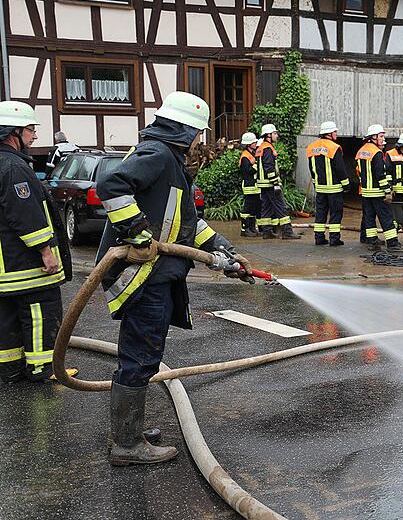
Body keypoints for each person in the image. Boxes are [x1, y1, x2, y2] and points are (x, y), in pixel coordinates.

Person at [95, 91, 253, 466]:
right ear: (187, 129)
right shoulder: (159, 155)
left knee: (142, 355)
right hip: (144, 275)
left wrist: (225, 252)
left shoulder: (167, 158)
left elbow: (186, 223)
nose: (201, 140)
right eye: (199, 132)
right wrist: (137, 232)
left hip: (156, 274)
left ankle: (128, 430)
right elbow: (111, 185)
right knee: (141, 356)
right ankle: (127, 445)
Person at [0, 101, 75, 384]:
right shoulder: (13, 167)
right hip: (25, 266)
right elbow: (25, 214)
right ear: (13, 132)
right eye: (31, 130)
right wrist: (45, 251)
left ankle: (10, 370)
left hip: (5, 268)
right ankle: (43, 369)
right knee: (39, 313)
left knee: (7, 318)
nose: (34, 137)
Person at [356, 124, 402, 251]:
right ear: (374, 137)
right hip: (377, 192)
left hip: (366, 192)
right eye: (381, 136)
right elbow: (380, 175)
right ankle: (392, 243)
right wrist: (387, 190)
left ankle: (372, 242)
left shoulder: (361, 151)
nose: (383, 139)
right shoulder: (376, 153)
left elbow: (359, 171)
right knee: (386, 216)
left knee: (369, 217)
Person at [306, 121, 350, 246]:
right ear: (329, 133)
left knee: (320, 213)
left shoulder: (311, 148)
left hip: (320, 188)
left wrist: (315, 183)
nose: (336, 134)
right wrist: (346, 185)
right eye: (335, 131)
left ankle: (319, 238)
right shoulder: (334, 148)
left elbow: (312, 168)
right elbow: (340, 168)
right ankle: (334, 239)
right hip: (334, 189)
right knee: (336, 213)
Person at [256, 124, 300, 240]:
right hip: (270, 184)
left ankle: (267, 232)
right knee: (281, 207)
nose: (277, 135)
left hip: (263, 184)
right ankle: (287, 232)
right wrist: (275, 183)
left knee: (266, 207)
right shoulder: (268, 148)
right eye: (275, 133)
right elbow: (269, 168)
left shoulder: (260, 147)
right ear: (268, 135)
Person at [238, 132, 261, 237]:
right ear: (248, 144)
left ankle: (252, 228)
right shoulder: (245, 156)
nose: (255, 143)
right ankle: (244, 229)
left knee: (254, 208)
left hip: (255, 186)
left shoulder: (252, 153)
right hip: (249, 186)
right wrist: (256, 167)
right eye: (253, 142)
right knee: (247, 208)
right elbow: (246, 171)